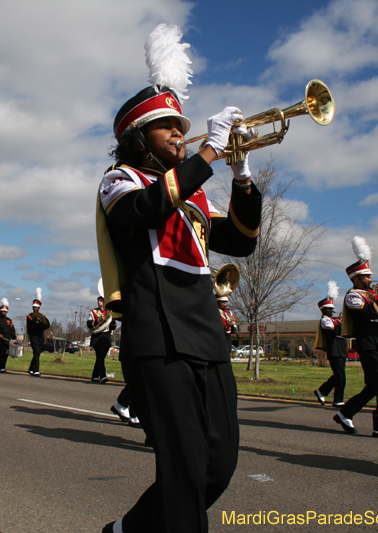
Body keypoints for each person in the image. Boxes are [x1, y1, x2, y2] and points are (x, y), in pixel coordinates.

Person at [97, 24, 261, 533]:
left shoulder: (191, 192)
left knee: (218, 465)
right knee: (184, 467)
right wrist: (207, 156)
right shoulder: (119, 181)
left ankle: (129, 529)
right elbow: (147, 208)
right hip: (158, 337)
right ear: (137, 138)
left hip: (206, 336)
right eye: (167, 126)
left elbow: (241, 240)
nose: (179, 133)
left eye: (181, 125)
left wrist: (242, 176)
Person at [334, 236, 378, 440]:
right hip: (368, 344)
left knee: (374, 386)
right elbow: (370, 314)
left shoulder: (373, 294)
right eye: (365, 276)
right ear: (355, 278)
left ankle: (345, 413)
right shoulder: (353, 296)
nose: (369, 279)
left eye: (369, 275)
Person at [313, 280, 348, 407]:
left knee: (338, 376)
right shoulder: (325, 321)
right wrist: (342, 322)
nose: (332, 312)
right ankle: (338, 400)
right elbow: (336, 331)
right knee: (340, 377)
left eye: (332, 309)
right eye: (329, 309)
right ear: (324, 310)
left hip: (341, 350)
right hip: (334, 350)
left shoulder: (334, 320)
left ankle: (321, 391)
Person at [87, 296, 115, 383]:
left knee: (101, 357)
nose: (99, 302)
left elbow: (113, 327)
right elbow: (89, 324)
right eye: (98, 301)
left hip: (106, 336)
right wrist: (99, 319)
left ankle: (95, 376)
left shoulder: (109, 312)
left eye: (101, 300)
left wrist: (113, 321)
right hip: (97, 336)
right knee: (100, 356)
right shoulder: (93, 312)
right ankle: (103, 376)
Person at [25, 289, 49, 377]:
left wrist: (41, 323)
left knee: (38, 353)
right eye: (34, 307)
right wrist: (36, 322)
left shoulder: (42, 316)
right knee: (36, 352)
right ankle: (36, 369)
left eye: (36, 307)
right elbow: (30, 327)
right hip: (33, 336)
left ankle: (31, 368)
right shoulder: (29, 316)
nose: (35, 308)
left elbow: (46, 325)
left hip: (40, 336)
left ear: (39, 307)